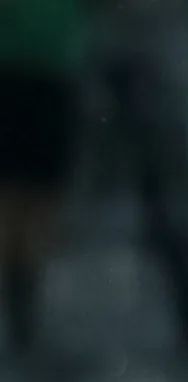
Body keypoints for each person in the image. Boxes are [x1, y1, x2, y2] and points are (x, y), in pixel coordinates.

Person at [0, 0, 83, 295]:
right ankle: (17, 274)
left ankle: (28, 276)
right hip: (12, 76)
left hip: (54, 76)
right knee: (14, 188)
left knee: (45, 189)